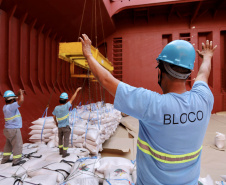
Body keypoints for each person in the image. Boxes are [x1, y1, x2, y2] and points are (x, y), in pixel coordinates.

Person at [79, 34, 217, 185]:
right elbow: (204, 73)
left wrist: (88, 55)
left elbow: (106, 80)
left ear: (161, 72)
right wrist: (208, 56)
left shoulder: (152, 104)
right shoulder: (204, 98)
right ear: (189, 74)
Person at [52, 87, 82, 158]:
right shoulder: (66, 106)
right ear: (66, 100)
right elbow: (72, 99)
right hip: (65, 127)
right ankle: (64, 153)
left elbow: (54, 116)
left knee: (60, 139)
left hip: (59, 127)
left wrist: (56, 123)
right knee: (66, 140)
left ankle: (60, 151)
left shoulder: (56, 108)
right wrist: (77, 90)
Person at [2, 89, 26, 166]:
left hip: (7, 130)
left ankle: (5, 159)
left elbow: (13, 98)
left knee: (8, 145)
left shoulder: (5, 107)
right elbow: (21, 101)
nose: (15, 100)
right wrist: (21, 93)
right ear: (12, 100)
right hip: (14, 130)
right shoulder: (12, 107)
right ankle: (16, 161)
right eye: (14, 99)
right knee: (18, 145)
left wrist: (17, 94)